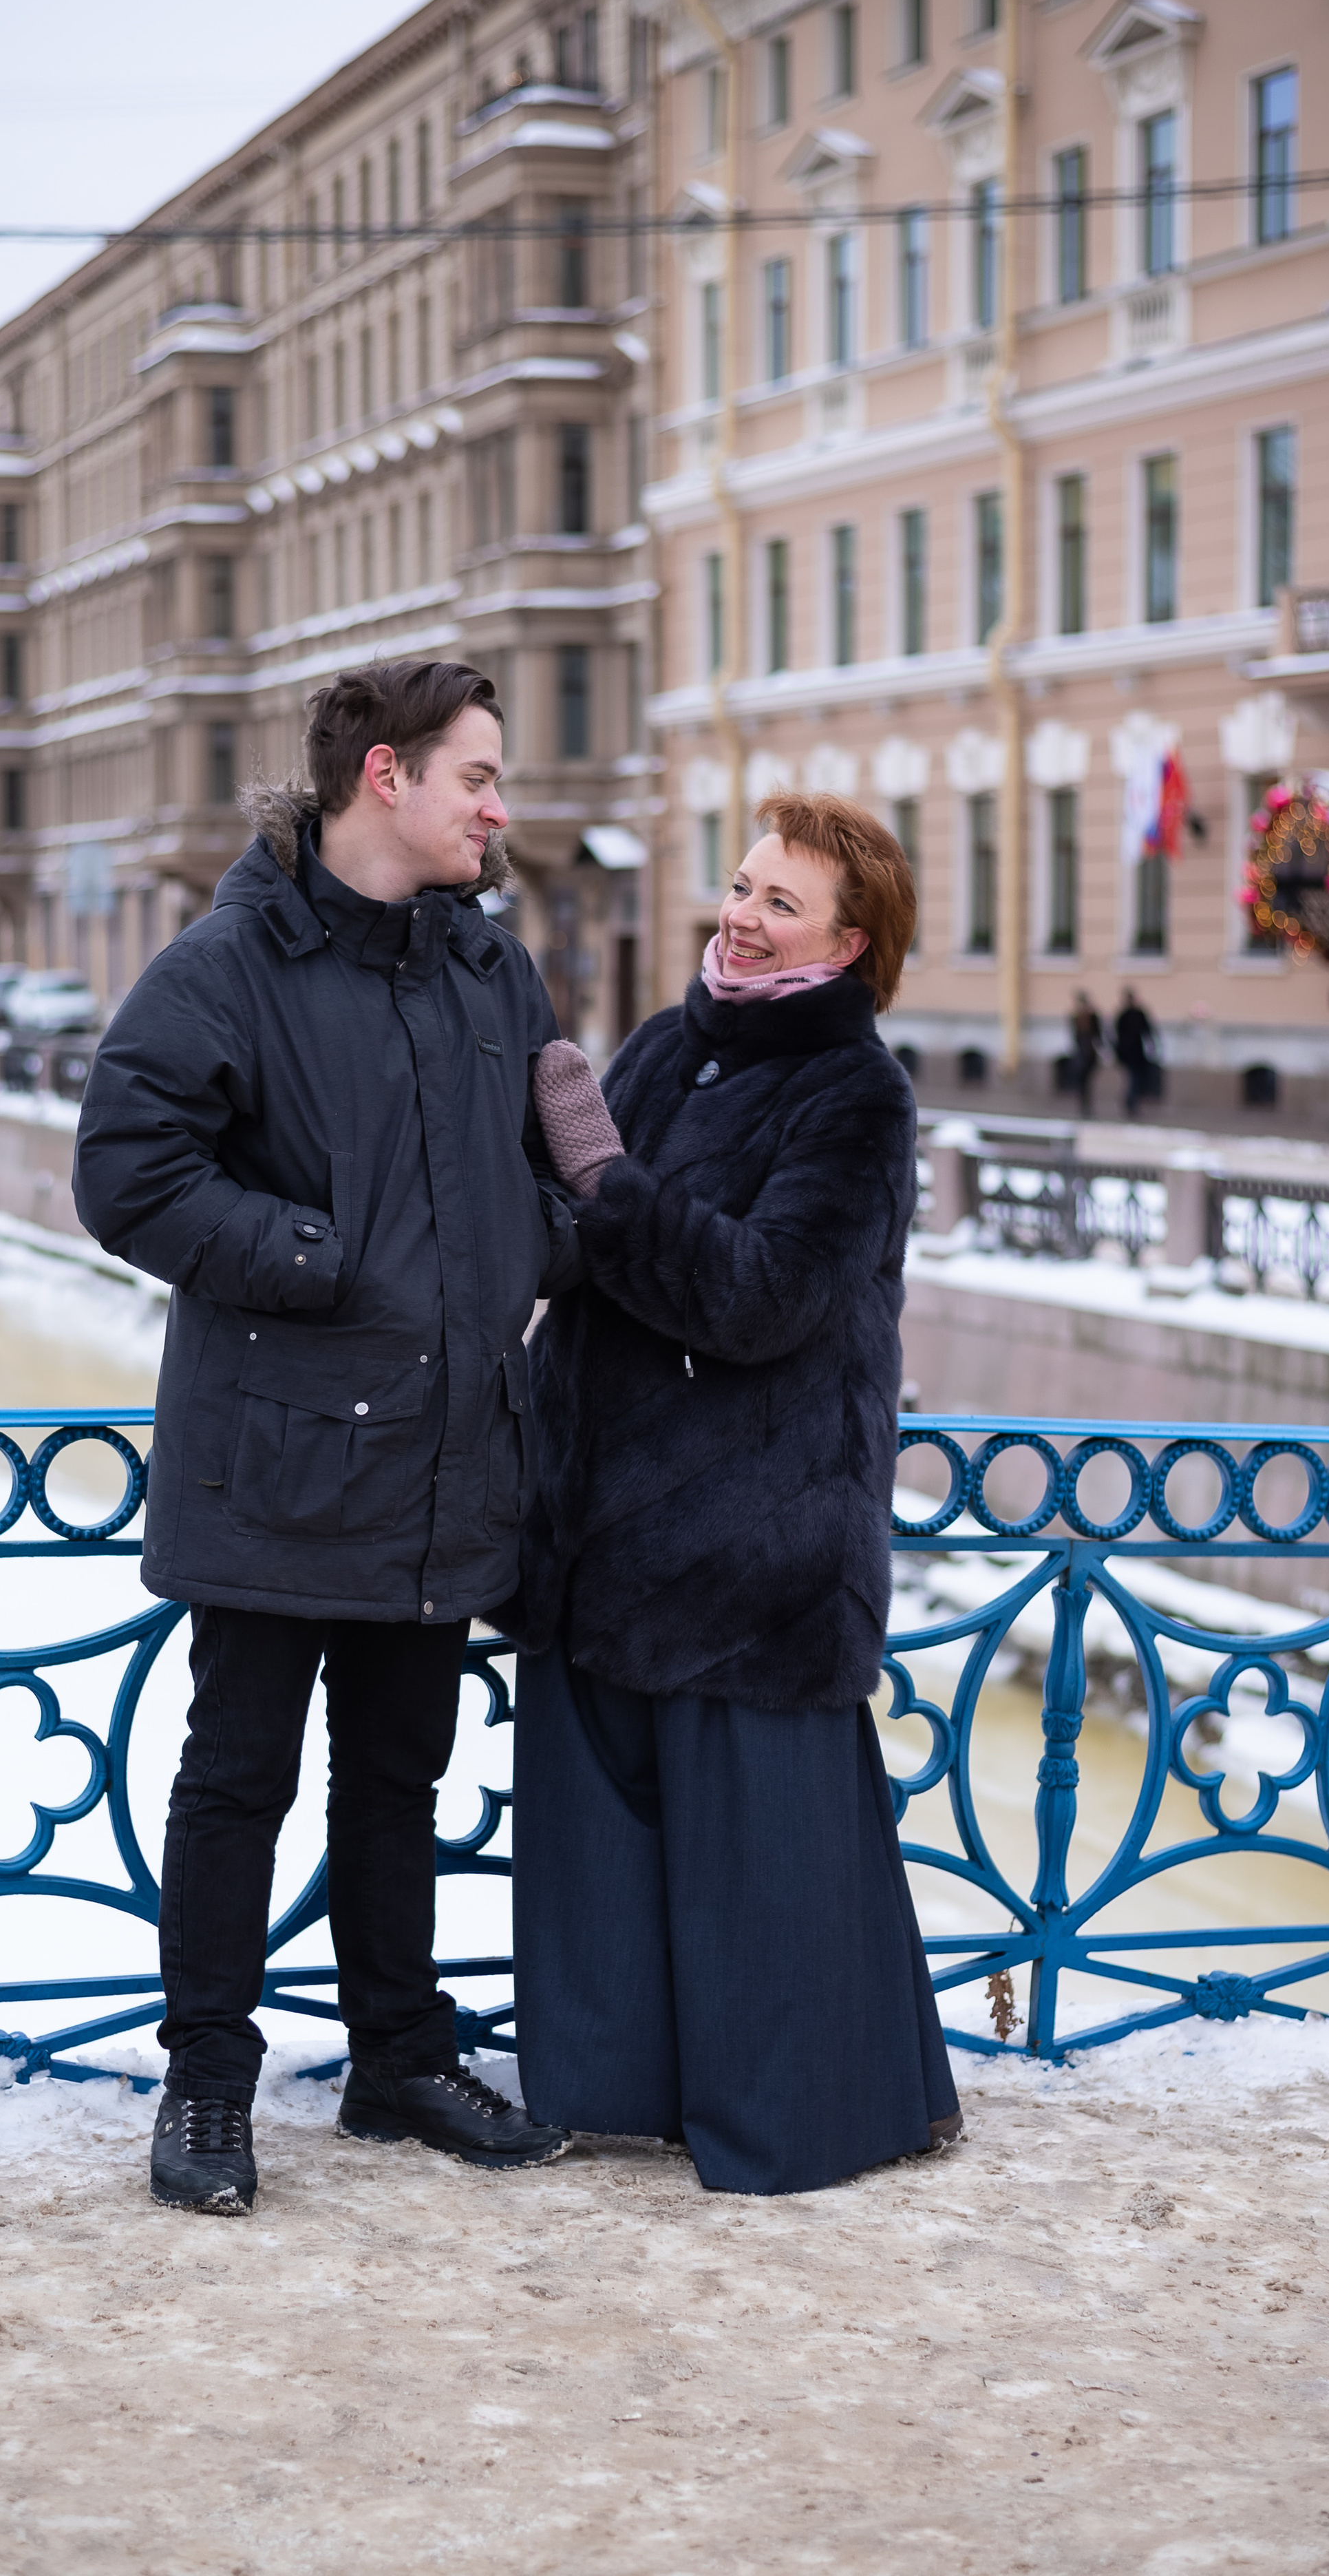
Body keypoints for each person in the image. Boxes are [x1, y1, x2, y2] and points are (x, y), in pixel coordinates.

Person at [73, 660, 582, 2214]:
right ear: (385, 777)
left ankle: (395, 2058)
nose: (500, 808)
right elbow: (124, 1172)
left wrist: (527, 1260)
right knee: (237, 1779)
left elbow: (569, 1153)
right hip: (280, 1455)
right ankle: (206, 2092)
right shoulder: (227, 964)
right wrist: (317, 1257)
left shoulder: (493, 974)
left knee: (396, 1779)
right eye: (477, 778)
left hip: (442, 1454)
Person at [499, 791, 960, 2195]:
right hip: (597, 1534)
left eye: (779, 902)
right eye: (741, 886)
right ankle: (617, 2097)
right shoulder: (657, 1047)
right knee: (601, 1862)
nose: (739, 917)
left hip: (742, 1546)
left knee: (758, 1879)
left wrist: (604, 1181)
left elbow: (762, 1301)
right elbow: (572, 1243)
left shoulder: (854, 1097)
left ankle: (792, 2120)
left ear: (849, 939)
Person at [1113, 986, 1159, 1118]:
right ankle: (1130, 1103)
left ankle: (1131, 1103)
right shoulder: (1125, 1015)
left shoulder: (1135, 1014)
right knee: (1134, 1079)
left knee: (1135, 1079)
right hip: (1130, 1054)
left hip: (1136, 1054)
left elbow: (1147, 1031)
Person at [1069, 992, 1103, 1117]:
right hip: (1082, 1054)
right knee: (1082, 1082)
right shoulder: (1076, 1017)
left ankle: (1086, 1106)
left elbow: (1098, 1035)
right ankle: (1084, 1105)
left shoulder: (1092, 1017)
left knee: (1087, 1082)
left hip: (1089, 1055)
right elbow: (1075, 1037)